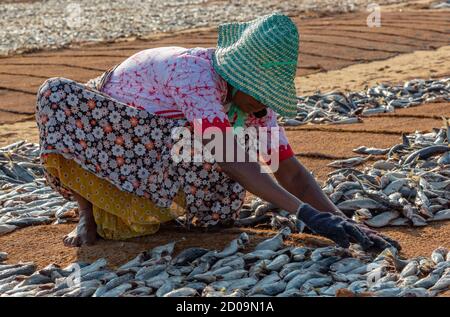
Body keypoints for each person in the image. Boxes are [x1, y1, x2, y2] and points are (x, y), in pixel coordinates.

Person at [35, 12, 400, 250]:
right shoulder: (194, 74)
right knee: (55, 92)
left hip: (164, 145)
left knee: (221, 179)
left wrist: (342, 221)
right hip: (113, 129)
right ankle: (87, 211)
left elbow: (289, 171)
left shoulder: (255, 104)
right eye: (261, 94)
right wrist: (306, 215)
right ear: (236, 77)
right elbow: (224, 152)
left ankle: (141, 210)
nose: (264, 105)